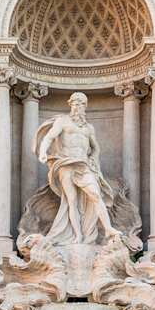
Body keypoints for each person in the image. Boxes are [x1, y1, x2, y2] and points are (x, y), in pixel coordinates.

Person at [35, 92, 119, 244]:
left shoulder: (89, 128)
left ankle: (108, 229)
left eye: (80, 104)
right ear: (70, 105)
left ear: (85, 107)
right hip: (66, 164)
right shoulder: (63, 121)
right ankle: (77, 235)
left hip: (83, 165)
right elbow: (49, 137)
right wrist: (42, 152)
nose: (77, 107)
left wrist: (93, 158)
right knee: (71, 201)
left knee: (95, 194)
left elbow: (95, 148)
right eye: (74, 103)